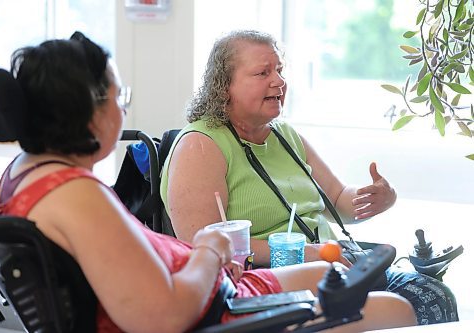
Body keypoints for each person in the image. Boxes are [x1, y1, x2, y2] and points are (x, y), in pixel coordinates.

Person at [0, 32, 417, 333]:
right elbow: (165, 317)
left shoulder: (26, 174)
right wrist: (210, 250)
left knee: (334, 271)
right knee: (397, 309)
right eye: (121, 98)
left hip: (217, 293)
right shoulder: (77, 196)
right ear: (87, 110)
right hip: (221, 314)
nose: (123, 111)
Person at [160, 29, 458, 325]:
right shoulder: (200, 145)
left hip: (334, 266)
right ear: (224, 87)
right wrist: (304, 253)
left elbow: (340, 201)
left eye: (279, 70)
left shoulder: (287, 135)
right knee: (406, 308)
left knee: (435, 295)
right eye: (263, 73)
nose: (279, 80)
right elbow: (199, 243)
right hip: (269, 284)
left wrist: (377, 198)